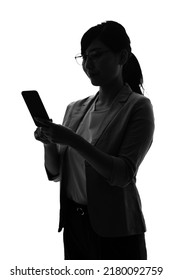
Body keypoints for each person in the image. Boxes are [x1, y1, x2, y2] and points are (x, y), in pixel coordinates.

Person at [34, 21, 155, 260]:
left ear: (123, 56)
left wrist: (73, 140)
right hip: (74, 225)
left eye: (97, 55)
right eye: (84, 57)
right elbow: (56, 172)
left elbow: (122, 174)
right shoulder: (75, 108)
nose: (89, 65)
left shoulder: (138, 106)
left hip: (116, 230)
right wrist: (49, 141)